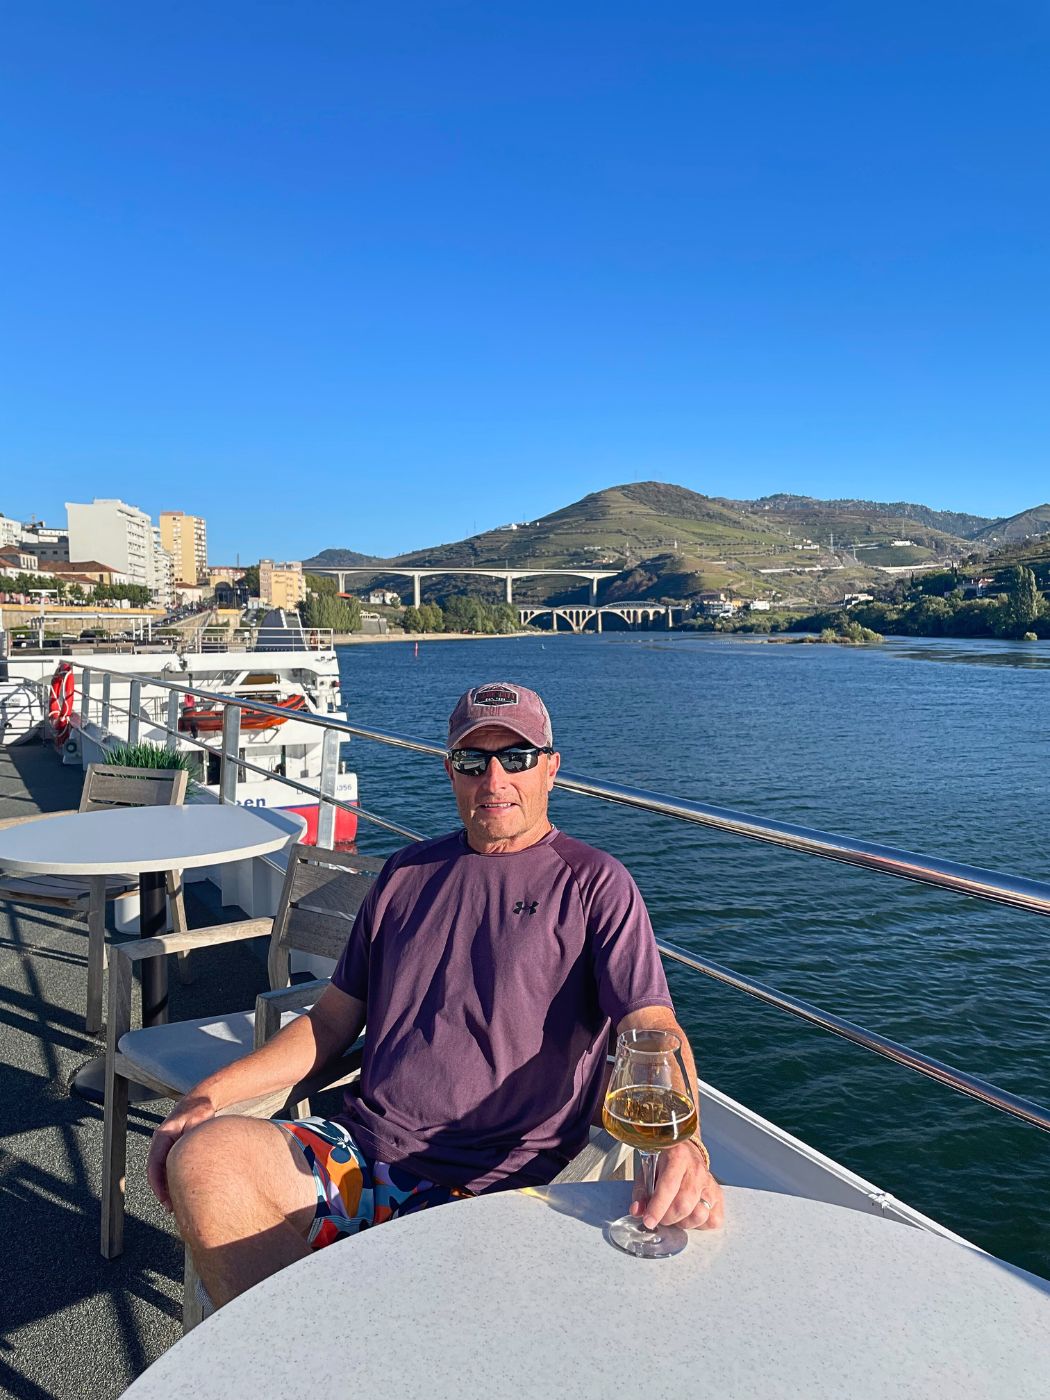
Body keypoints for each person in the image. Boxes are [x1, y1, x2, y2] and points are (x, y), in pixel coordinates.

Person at [149, 681, 723, 1307]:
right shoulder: (404, 874)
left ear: (551, 768)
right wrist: (210, 1094)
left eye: (518, 757)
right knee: (206, 1160)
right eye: (474, 761)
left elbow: (651, 1026)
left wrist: (683, 1141)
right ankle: (307, 1357)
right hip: (363, 1154)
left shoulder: (594, 883)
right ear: (451, 770)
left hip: (500, 1183)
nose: (494, 778)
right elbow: (331, 1022)